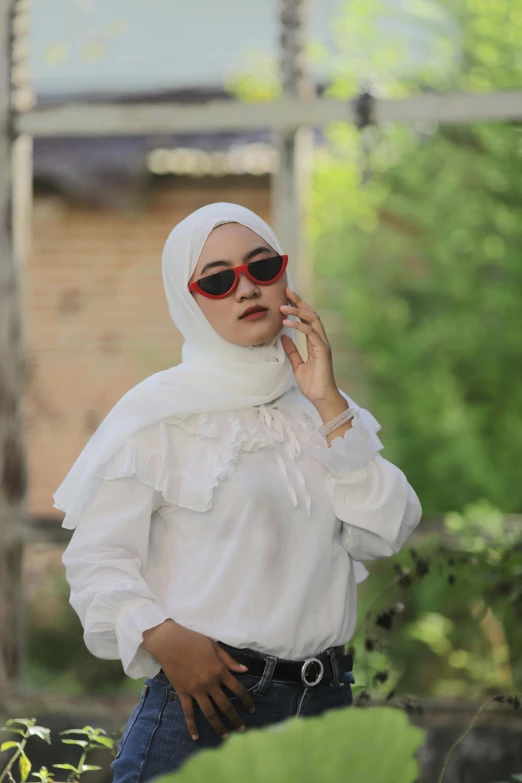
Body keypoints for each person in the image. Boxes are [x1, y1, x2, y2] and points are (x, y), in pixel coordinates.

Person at [56, 203, 422, 782]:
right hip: (212, 711)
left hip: (324, 713)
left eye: (262, 267)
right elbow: (96, 560)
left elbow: (388, 529)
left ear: (285, 275)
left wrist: (328, 402)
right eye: (219, 279)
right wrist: (162, 636)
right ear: (191, 300)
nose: (246, 289)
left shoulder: (322, 412)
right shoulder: (159, 415)